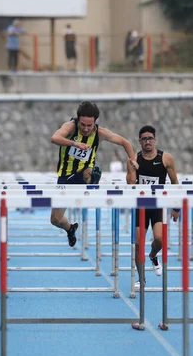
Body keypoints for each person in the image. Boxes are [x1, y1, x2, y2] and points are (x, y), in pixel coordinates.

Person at [49, 101, 138, 247]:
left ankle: (92, 179)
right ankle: (70, 228)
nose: (85, 128)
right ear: (78, 120)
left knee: (89, 171)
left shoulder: (100, 132)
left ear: (95, 122)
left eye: (89, 125)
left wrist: (133, 160)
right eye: (82, 124)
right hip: (65, 177)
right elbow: (54, 138)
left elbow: (125, 142)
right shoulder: (70, 127)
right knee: (55, 220)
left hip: (85, 172)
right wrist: (75, 143)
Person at [126, 125, 180, 289]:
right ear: (140, 141)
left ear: (155, 140)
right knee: (137, 244)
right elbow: (130, 185)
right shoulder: (134, 159)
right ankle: (141, 278)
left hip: (158, 205)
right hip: (140, 206)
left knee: (159, 239)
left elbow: (175, 184)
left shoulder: (166, 159)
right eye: (144, 139)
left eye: (150, 138)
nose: (147, 141)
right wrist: (132, 169)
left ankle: (152, 255)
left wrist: (176, 208)